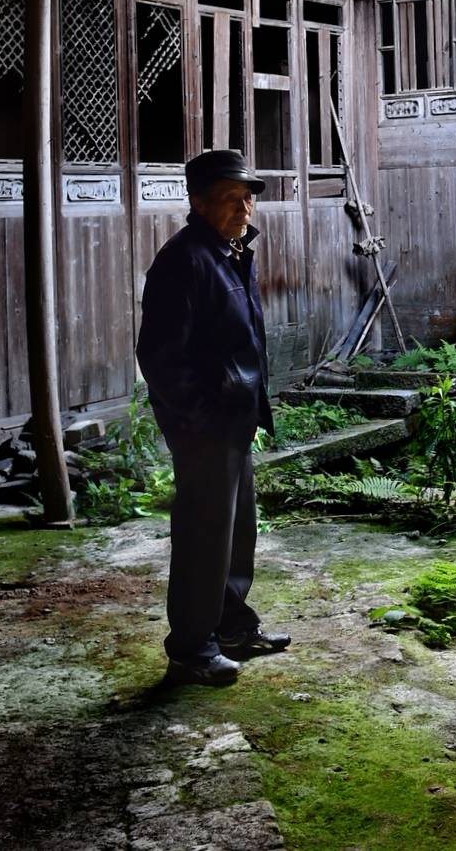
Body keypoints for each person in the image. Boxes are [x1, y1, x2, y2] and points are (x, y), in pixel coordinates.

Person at [136, 149, 291, 686]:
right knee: (204, 532)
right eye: (231, 199)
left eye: (248, 198)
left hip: (232, 418)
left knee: (237, 527)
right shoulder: (184, 260)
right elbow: (159, 357)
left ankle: (229, 625)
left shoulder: (228, 252)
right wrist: (200, 416)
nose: (244, 209)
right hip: (204, 425)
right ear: (198, 203)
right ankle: (191, 644)